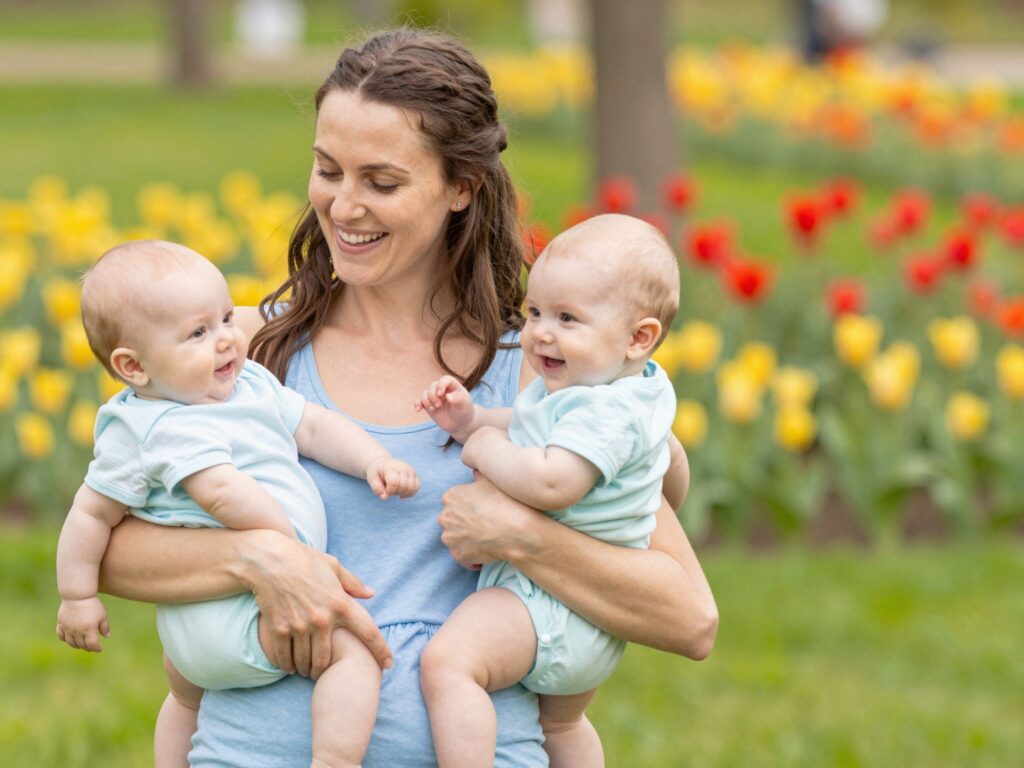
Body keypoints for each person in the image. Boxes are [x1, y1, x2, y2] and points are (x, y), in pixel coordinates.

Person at [97, 29, 719, 766]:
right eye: (328, 170)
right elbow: (106, 543)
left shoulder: (540, 374)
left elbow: (689, 617)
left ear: (462, 188)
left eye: (381, 182)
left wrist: (523, 537)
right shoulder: (238, 351)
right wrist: (257, 560)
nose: (344, 206)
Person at [55, 241, 419, 768]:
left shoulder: (246, 385)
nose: (227, 339)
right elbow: (99, 511)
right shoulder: (155, 427)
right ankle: (336, 759)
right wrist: (77, 595)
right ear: (133, 366)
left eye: (226, 317)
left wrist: (372, 460)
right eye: (198, 333)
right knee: (354, 655)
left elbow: (312, 426)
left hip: (198, 624)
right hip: (232, 615)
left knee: (186, 698)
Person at [415, 213, 686, 767]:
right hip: (588, 613)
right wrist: (474, 420)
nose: (540, 332)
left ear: (639, 337)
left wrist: (483, 449)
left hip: (550, 606)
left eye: (568, 318)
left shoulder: (604, 411)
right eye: (535, 312)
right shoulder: (623, 389)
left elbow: (551, 481)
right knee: (560, 725)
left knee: (449, 663)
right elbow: (532, 426)